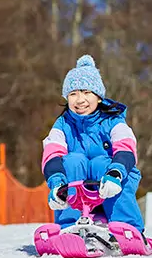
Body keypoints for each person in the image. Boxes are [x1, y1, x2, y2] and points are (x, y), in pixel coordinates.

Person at [40, 54, 144, 232]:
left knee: (99, 162)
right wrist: (57, 184)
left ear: (99, 97)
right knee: (73, 160)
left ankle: (127, 227)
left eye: (86, 92)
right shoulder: (63, 124)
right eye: (73, 94)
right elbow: (52, 153)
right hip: (77, 188)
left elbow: (126, 148)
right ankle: (68, 225)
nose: (80, 100)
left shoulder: (113, 121)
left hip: (112, 181)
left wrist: (115, 173)